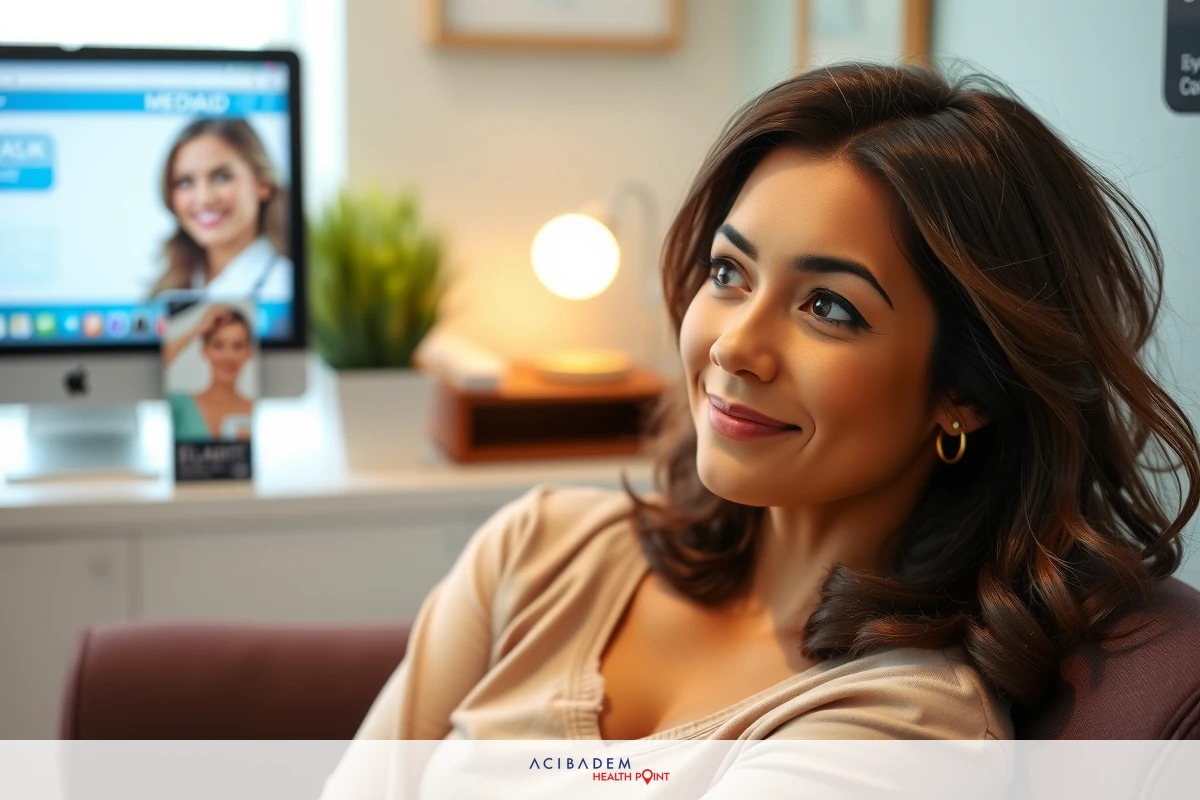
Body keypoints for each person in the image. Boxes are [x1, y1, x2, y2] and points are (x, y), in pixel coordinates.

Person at [321, 63, 1200, 795]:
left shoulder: (902, 730)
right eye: (729, 271)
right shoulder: (541, 550)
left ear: (964, 393)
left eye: (828, 307)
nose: (735, 345)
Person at [149, 118, 293, 302]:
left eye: (221, 177)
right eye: (185, 182)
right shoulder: (169, 288)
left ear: (262, 184)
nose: (204, 199)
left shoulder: (284, 287)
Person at [164, 304, 255, 442]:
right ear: (204, 350)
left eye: (238, 346)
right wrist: (196, 330)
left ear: (249, 352)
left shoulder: (261, 412)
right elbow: (146, 372)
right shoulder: (180, 406)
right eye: (218, 345)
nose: (228, 356)